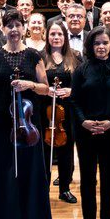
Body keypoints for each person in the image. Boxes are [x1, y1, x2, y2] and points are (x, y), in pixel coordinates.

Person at [0, 10, 52, 219]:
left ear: (24, 28)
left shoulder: (34, 56)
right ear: (2, 29)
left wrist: (29, 84)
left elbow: (46, 89)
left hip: (28, 125)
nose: (13, 29)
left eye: (17, 25)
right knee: (4, 173)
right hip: (1, 123)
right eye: (8, 25)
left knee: (29, 172)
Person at [71, 26, 110, 219]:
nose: (101, 47)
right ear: (90, 46)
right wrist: (83, 121)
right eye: (97, 43)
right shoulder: (81, 70)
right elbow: (74, 100)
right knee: (87, 178)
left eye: (105, 43)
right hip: (86, 131)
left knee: (108, 178)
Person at [41, 21, 78, 204]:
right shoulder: (40, 57)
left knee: (66, 150)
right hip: (45, 111)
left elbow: (82, 83)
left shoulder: (75, 57)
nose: (56, 37)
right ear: (47, 37)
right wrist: (46, 90)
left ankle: (65, 188)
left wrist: (71, 90)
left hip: (67, 112)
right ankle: (43, 188)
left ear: (65, 37)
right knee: (45, 149)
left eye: (60, 34)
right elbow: (36, 83)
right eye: (53, 34)